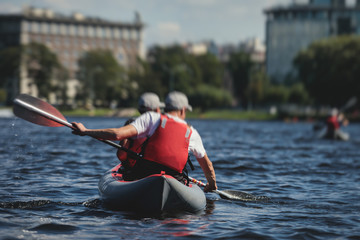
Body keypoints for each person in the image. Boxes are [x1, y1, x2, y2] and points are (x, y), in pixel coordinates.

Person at [71, 91, 217, 192]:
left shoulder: (152, 118)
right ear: (183, 110)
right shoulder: (192, 131)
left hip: (144, 175)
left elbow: (116, 135)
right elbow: (208, 166)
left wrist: (85, 131)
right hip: (175, 180)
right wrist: (211, 184)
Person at [116, 92, 164, 175]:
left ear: (139, 110)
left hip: (136, 172)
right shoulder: (165, 126)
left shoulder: (131, 125)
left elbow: (122, 155)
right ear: (157, 109)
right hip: (160, 171)